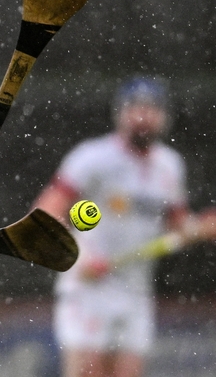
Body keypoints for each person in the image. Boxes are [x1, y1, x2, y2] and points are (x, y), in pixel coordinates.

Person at [32, 76, 192, 377]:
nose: (143, 117)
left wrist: (202, 227)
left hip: (136, 292)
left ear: (164, 117)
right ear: (120, 113)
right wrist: (80, 256)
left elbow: (179, 228)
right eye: (136, 108)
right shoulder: (92, 158)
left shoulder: (170, 166)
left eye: (152, 109)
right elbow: (44, 214)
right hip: (88, 288)